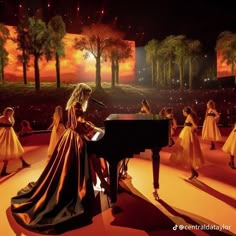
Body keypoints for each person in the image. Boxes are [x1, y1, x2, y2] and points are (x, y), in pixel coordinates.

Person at [11, 83, 106, 234]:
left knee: (71, 166)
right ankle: (77, 192)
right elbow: (78, 124)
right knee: (74, 165)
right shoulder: (76, 106)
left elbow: (77, 123)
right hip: (75, 138)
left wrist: (91, 127)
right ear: (82, 94)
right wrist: (94, 128)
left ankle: (93, 185)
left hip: (71, 137)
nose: (89, 97)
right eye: (87, 94)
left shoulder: (75, 105)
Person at [170, 106, 204, 180]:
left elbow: (195, 126)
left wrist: (191, 130)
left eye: (183, 112)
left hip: (188, 135)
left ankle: (193, 172)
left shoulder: (189, 117)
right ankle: (193, 172)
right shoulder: (189, 116)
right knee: (188, 153)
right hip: (187, 135)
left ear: (186, 112)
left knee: (188, 153)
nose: (182, 113)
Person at [0, 107, 30, 177]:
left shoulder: (10, 118)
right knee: (7, 151)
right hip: (5, 135)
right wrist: (4, 126)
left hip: (11, 135)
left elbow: (10, 126)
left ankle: (23, 162)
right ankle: (3, 170)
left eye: (11, 112)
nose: (10, 113)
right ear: (6, 112)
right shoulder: (2, 118)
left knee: (16, 148)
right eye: (9, 112)